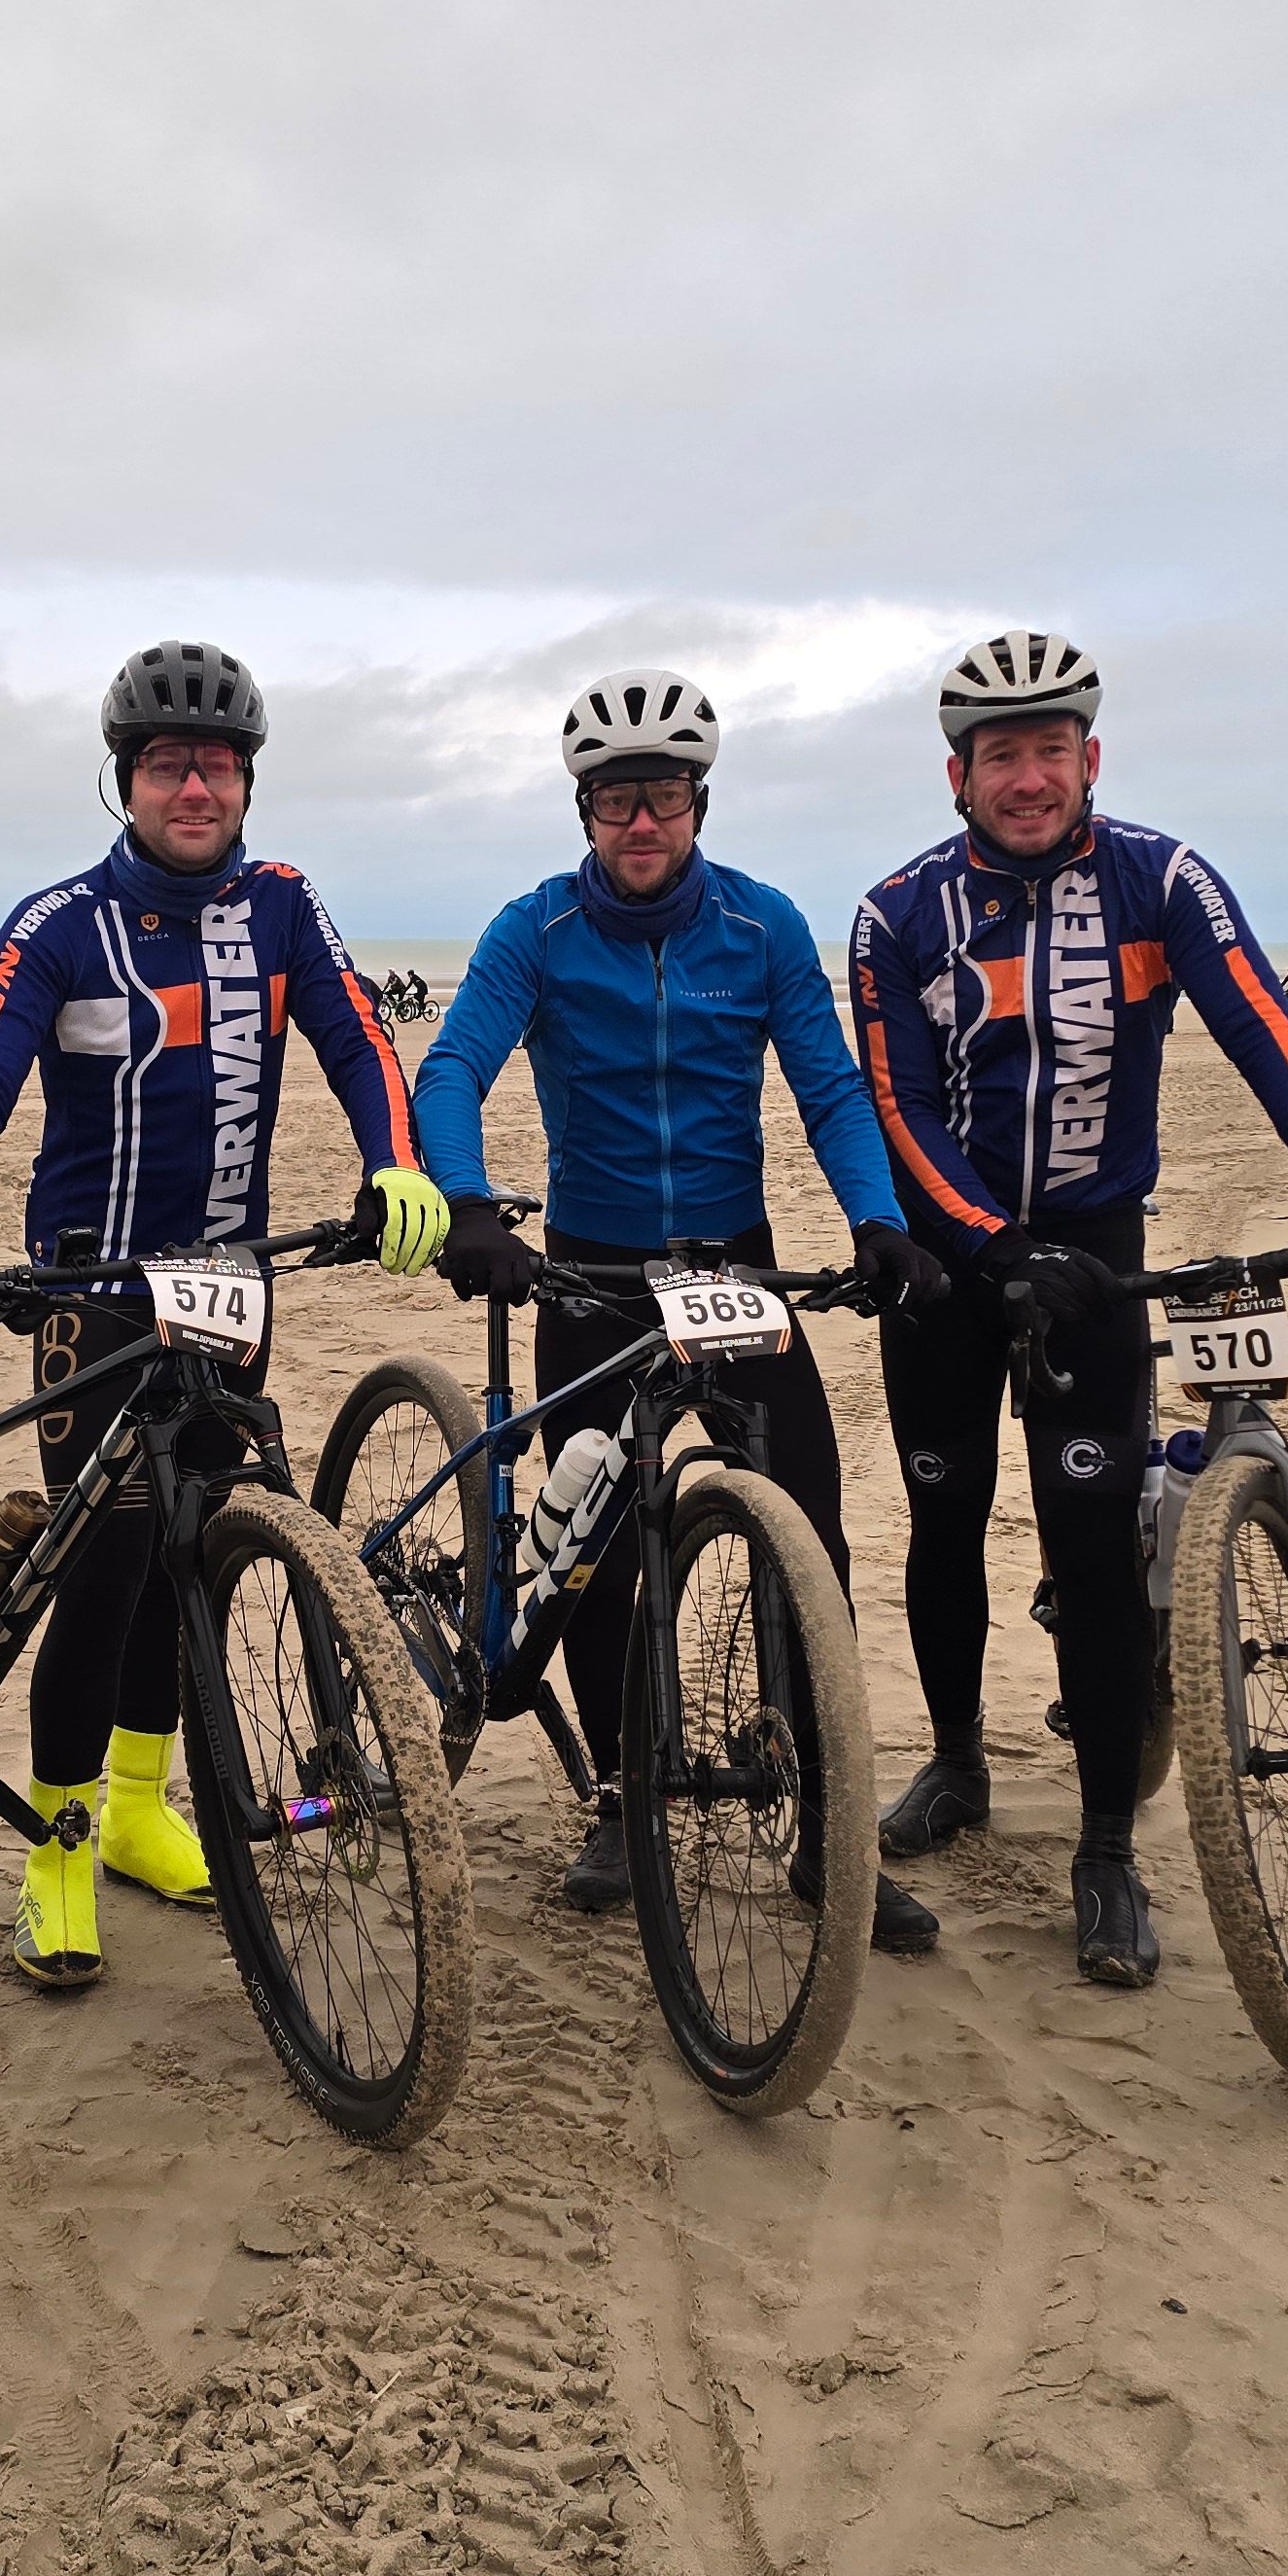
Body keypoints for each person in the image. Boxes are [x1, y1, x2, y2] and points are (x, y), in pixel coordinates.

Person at [850, 631, 1288, 1989]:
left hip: (1097, 1260)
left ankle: (1107, 1847)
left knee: (1094, 1546)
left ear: (1091, 759)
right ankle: (956, 1760)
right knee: (944, 1521)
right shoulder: (896, 913)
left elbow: (1258, 1023)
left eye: (1051, 750)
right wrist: (990, 1246)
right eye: (1002, 755)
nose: (1029, 777)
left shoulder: (1161, 879)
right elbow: (896, 1107)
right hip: (950, 1263)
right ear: (957, 776)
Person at [0, 638, 445, 1989]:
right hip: (91, 1295)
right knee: (107, 1567)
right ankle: (59, 1847)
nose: (197, 788)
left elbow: (357, 1037)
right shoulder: (60, 923)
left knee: (187, 1557)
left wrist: (396, 1161)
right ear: (124, 779)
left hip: (230, 1284)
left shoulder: (284, 904)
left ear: (248, 779)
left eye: (219, 766)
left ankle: (139, 1806)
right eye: (169, 766)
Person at [415, 670, 950, 1957]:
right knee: (595, 1553)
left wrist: (877, 1219)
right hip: (590, 1278)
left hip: (735, 1271)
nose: (640, 822)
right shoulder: (533, 931)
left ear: (699, 801)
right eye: (615, 800)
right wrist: (468, 1202)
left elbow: (829, 1090)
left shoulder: (762, 927)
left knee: (808, 1541)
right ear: (584, 811)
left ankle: (828, 1833)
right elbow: (453, 1066)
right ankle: (621, 1795)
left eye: (661, 795)